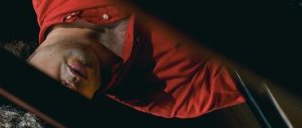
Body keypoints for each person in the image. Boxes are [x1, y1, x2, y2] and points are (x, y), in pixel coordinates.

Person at [26, 0, 245, 118]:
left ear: (26, 60)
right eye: (69, 106)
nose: (70, 90)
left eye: (49, 91)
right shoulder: (170, 97)